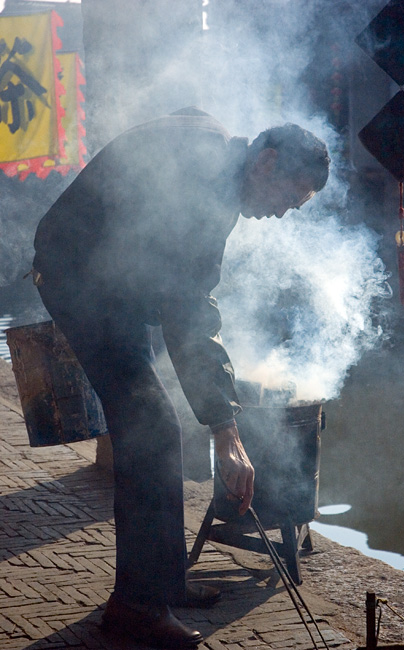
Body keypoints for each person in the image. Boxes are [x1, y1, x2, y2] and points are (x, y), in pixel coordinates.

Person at [32, 106, 330, 648]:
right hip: (79, 278)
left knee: (163, 422)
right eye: (290, 198)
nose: (284, 214)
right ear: (266, 162)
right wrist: (226, 431)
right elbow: (187, 306)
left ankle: (162, 582)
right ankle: (136, 610)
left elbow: (187, 290)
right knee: (153, 431)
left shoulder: (218, 163)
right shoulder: (203, 181)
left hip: (115, 279)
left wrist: (219, 416)